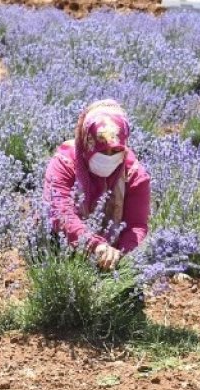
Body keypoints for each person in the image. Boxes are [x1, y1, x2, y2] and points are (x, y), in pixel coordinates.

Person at [42, 99, 152, 270]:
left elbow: (137, 225)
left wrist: (119, 255)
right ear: (87, 142)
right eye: (101, 150)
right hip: (62, 243)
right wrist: (95, 245)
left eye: (115, 150)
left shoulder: (134, 173)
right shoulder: (65, 162)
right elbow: (59, 211)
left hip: (113, 251)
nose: (109, 157)